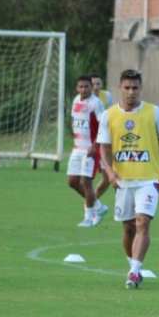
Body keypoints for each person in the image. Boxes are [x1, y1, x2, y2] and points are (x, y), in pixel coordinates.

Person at [97, 69, 159, 289]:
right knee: (128, 228)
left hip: (149, 179)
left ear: (140, 89)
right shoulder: (109, 115)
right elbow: (104, 148)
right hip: (123, 181)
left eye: (135, 88)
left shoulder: (154, 113)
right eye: (127, 88)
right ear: (120, 88)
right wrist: (110, 171)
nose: (131, 92)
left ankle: (133, 272)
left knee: (142, 222)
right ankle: (134, 264)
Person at [66, 75, 109, 227]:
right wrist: (73, 133)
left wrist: (95, 146)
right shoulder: (76, 100)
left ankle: (89, 218)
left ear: (91, 87)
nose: (84, 89)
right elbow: (73, 119)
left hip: (90, 149)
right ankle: (98, 206)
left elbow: (103, 126)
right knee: (72, 181)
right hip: (77, 148)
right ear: (77, 88)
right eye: (81, 87)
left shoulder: (96, 104)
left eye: (86, 86)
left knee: (86, 182)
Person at [91, 73, 115, 205]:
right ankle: (90, 204)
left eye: (98, 84)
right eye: (93, 84)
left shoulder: (107, 96)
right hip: (91, 143)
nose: (95, 87)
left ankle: (90, 204)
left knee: (107, 178)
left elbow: (112, 115)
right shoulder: (84, 100)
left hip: (104, 140)